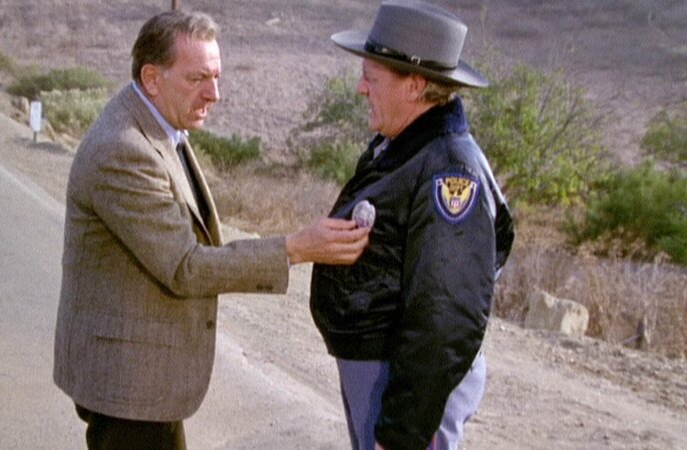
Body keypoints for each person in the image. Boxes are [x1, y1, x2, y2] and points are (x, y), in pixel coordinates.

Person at [53, 9, 370, 450]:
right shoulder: (124, 151)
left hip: (143, 381)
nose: (214, 94)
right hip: (127, 384)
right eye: (198, 78)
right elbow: (184, 266)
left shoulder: (158, 126)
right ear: (152, 78)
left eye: (217, 77)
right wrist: (295, 248)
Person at [309, 2, 515, 449]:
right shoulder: (408, 146)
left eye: (372, 77)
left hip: (403, 383)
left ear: (416, 85)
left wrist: (403, 432)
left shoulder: (450, 171)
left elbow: (445, 316)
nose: (361, 89)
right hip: (383, 373)